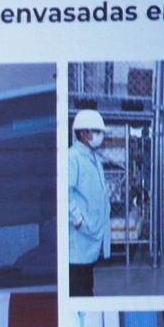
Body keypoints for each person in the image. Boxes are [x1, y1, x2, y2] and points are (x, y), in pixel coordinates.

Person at [68, 109, 111, 297]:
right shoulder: (73, 157)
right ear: (84, 133)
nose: (100, 136)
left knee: (86, 283)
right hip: (80, 236)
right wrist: (76, 218)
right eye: (97, 132)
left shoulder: (92, 157)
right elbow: (64, 191)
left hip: (91, 234)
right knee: (79, 288)